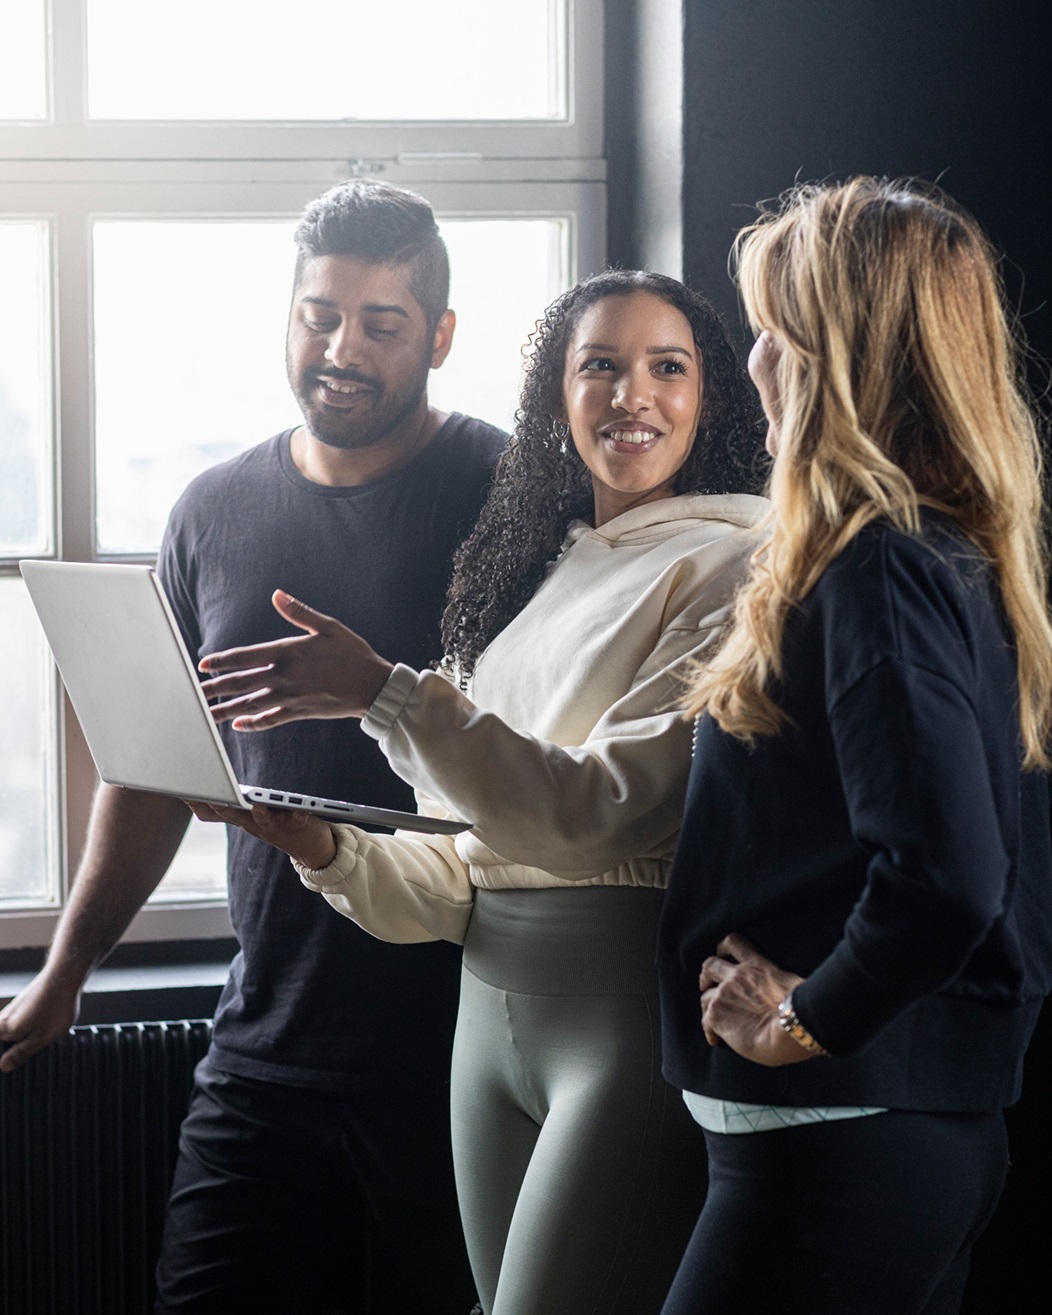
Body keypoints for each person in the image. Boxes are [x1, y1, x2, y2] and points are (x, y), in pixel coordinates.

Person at [184, 268, 769, 1315]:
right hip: (482, 1019)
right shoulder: (540, 578)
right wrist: (318, 846)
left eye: (665, 368)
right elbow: (465, 879)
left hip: (617, 1027)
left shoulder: (738, 564)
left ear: (709, 396)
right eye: (599, 365)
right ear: (556, 395)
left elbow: (593, 813)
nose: (630, 395)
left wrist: (383, 694)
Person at [0, 179, 507, 1314]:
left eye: (380, 323)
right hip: (264, 1047)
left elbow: (554, 752)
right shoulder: (211, 509)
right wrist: (62, 976)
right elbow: (151, 773)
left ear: (439, 335)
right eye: (319, 314)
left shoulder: (498, 490)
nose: (342, 347)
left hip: (458, 1052)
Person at [656, 177, 1052, 1315]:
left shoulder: (879, 567)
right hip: (865, 1143)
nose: (753, 364)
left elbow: (947, 873)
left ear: (844, 360)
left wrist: (802, 1019)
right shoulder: (932, 557)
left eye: (776, 335)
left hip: (838, 1150)